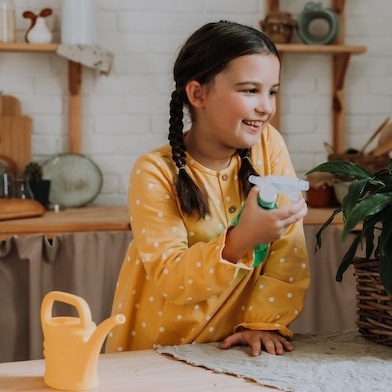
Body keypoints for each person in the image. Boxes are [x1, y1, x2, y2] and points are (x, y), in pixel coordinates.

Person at [105, 21, 310, 357]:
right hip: (159, 350)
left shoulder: (268, 146)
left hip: (234, 348)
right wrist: (243, 238)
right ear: (197, 93)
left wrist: (262, 322)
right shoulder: (155, 171)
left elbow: (289, 249)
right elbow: (171, 276)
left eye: (272, 91)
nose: (266, 107)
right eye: (249, 90)